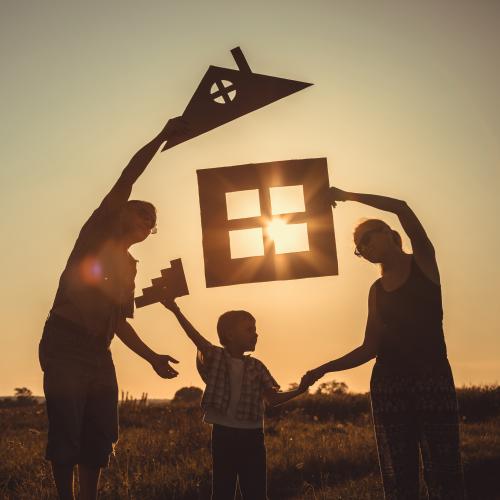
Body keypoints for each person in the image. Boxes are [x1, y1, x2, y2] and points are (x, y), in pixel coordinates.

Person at [39, 118, 188, 500]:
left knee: (100, 432)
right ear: (122, 214)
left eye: (153, 222)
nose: (148, 223)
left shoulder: (130, 266)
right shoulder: (95, 235)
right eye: (143, 214)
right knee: (67, 429)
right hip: (66, 343)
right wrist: (162, 136)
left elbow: (119, 321)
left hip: (98, 352)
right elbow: (128, 177)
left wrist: (152, 356)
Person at [305, 187, 465, 499]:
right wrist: (322, 369)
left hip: (431, 379)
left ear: (390, 233)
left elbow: (402, 206)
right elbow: (369, 348)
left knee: (444, 469)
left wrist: (347, 196)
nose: (363, 246)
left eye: (367, 237)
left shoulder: (423, 263)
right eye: (358, 246)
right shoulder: (376, 291)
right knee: (399, 476)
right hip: (389, 386)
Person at [162, 298, 309, 500]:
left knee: (256, 493)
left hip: (253, 437)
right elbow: (194, 336)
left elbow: (272, 399)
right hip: (224, 435)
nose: (256, 334)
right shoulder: (215, 357)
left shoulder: (258, 367)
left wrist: (301, 389)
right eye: (249, 329)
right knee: (223, 492)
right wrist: (175, 310)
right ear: (230, 335)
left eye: (255, 329)